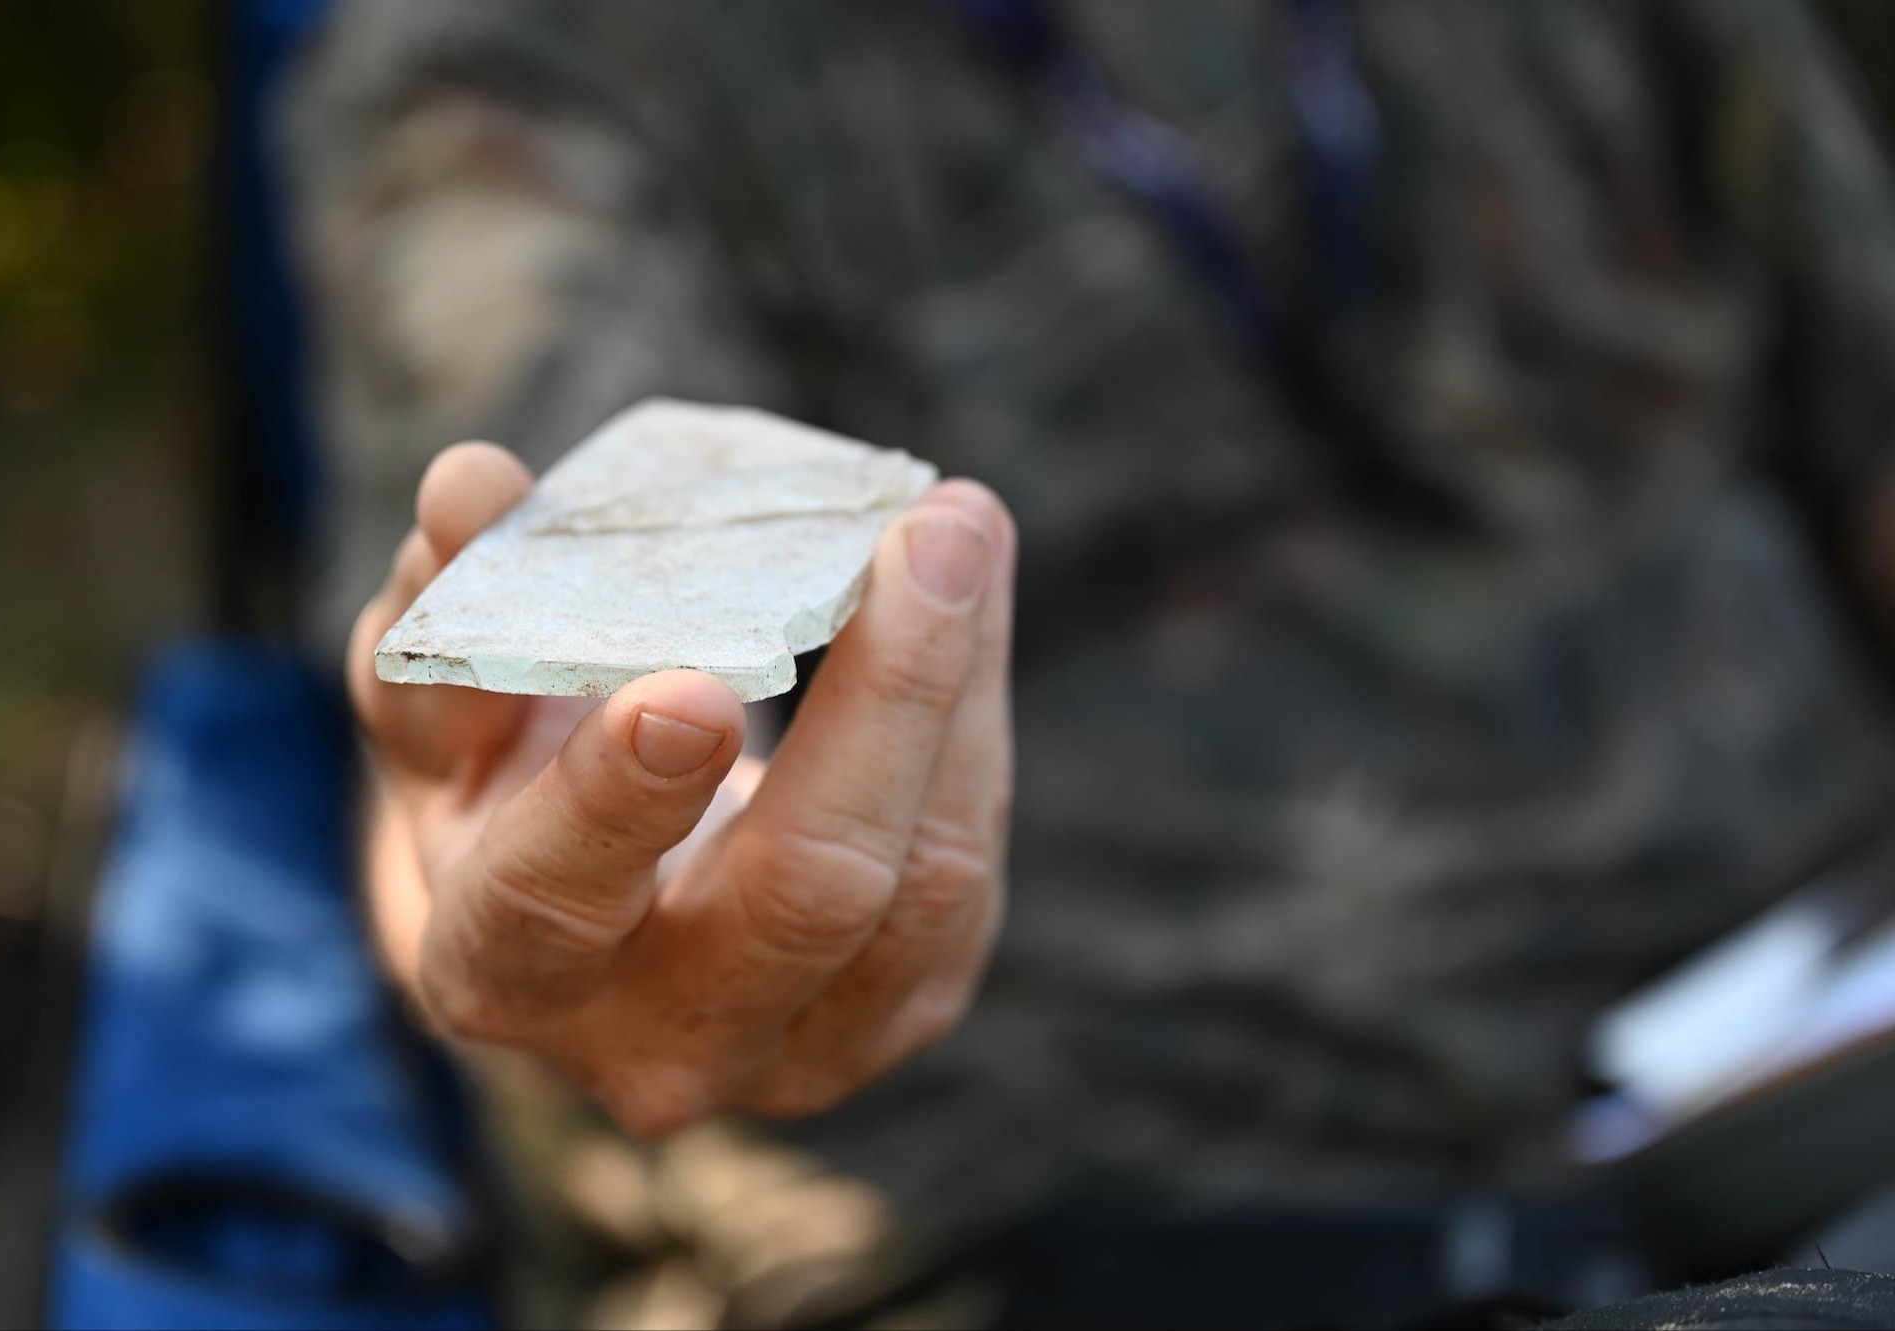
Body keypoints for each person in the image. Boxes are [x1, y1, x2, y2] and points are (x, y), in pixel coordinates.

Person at [283, 1, 1895, 1323]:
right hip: (1149, 1212)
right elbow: (518, 711)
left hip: (1817, 1032)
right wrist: (576, 881)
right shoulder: (529, 73)